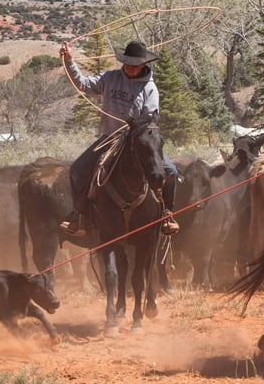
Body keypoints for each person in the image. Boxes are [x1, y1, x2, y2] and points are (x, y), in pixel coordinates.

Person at [58, 40, 179, 237]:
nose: (130, 68)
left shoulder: (150, 88)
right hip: (109, 138)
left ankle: (167, 213)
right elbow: (82, 83)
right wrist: (69, 60)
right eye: (127, 64)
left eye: (134, 65)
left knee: (171, 171)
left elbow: (150, 120)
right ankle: (80, 215)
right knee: (78, 169)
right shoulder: (110, 78)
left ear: (143, 64)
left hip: (138, 142)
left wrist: (133, 127)